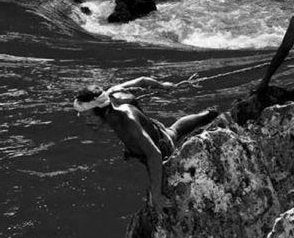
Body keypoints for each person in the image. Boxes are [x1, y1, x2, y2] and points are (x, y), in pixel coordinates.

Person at [73, 76, 219, 213]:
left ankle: (210, 116)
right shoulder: (113, 93)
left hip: (161, 147)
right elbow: (143, 81)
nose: (87, 122)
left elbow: (154, 155)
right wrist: (163, 86)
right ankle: (210, 114)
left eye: (89, 116)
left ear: (103, 111)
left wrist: (156, 195)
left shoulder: (127, 120)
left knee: (174, 133)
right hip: (153, 128)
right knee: (175, 131)